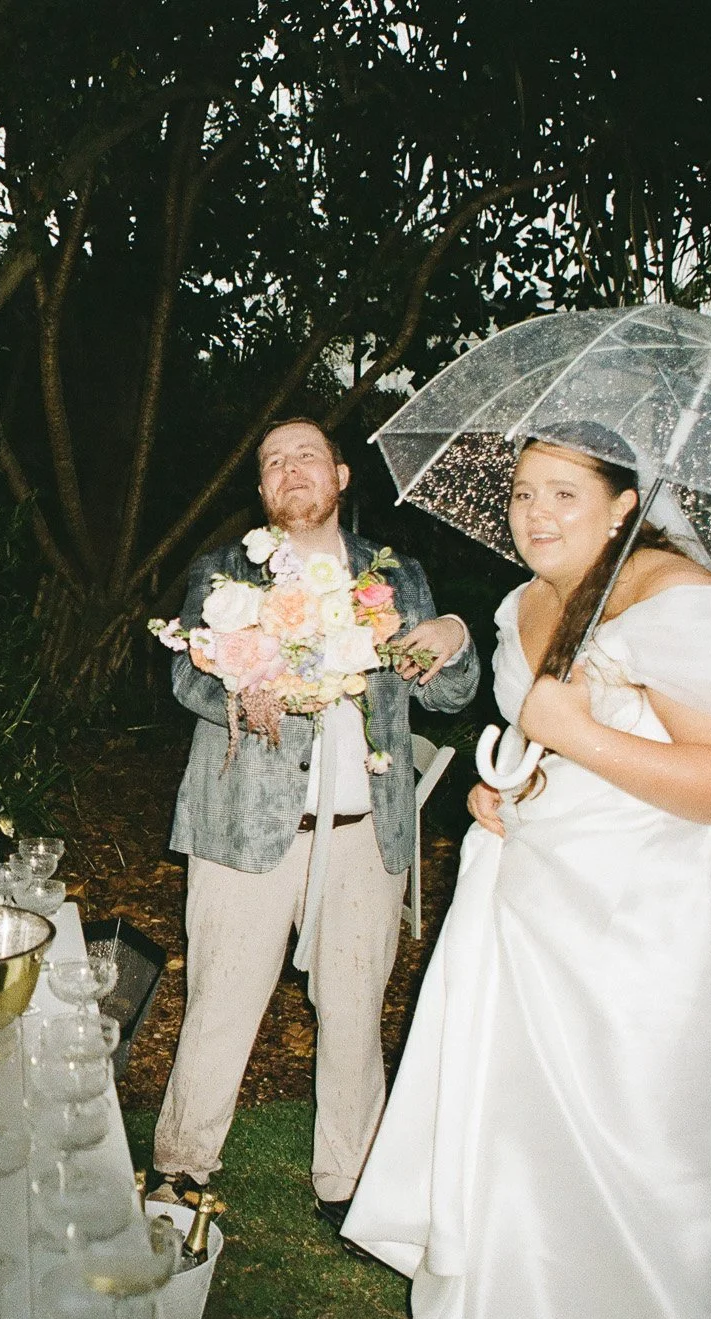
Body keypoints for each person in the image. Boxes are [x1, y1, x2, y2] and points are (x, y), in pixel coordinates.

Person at [344, 429, 711, 1319]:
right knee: (533, 1135)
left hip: (670, 929)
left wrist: (574, 735)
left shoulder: (679, 601)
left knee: (647, 1152)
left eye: (564, 495)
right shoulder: (525, 605)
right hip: (543, 909)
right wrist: (506, 784)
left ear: (624, 503)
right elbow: (562, 747)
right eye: (522, 494)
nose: (536, 515)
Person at [149, 418, 477, 1233]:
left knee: (355, 1007)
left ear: (339, 476)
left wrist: (454, 637)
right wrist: (238, 687)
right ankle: (181, 1167)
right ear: (262, 491)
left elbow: (449, 696)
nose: (290, 469)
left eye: (307, 456)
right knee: (220, 1000)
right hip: (244, 831)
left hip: (366, 833)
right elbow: (186, 678)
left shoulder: (396, 578)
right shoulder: (225, 572)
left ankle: (349, 1176)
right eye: (272, 461)